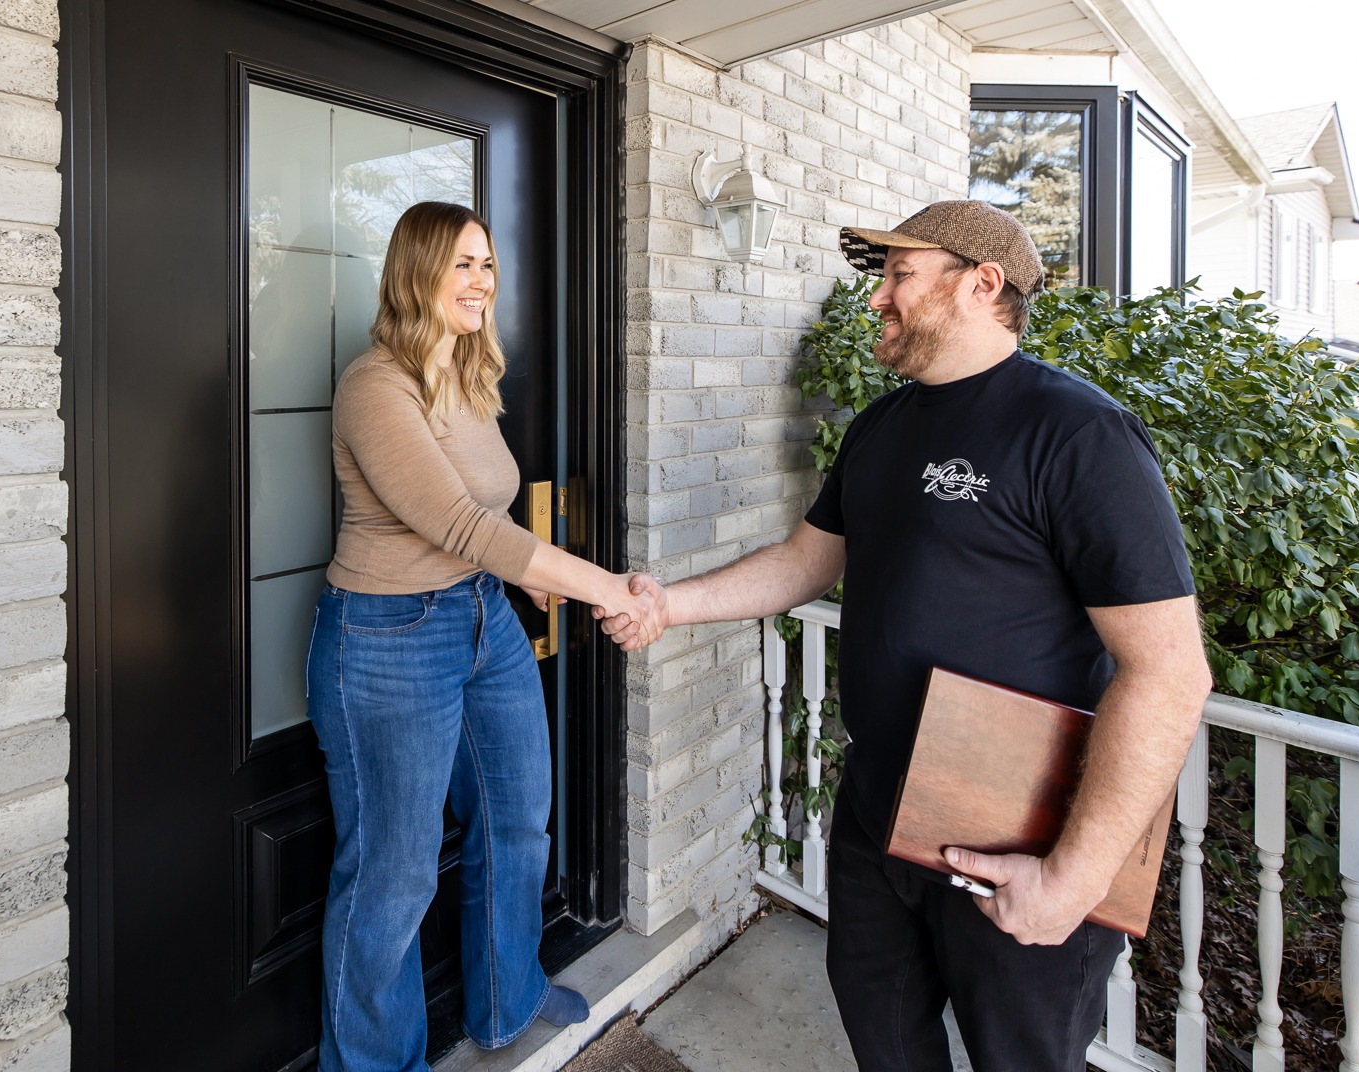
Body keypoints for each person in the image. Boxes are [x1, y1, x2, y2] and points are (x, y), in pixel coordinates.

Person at [600, 200, 1215, 1072]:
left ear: (982, 284)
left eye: (899, 274)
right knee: (885, 1043)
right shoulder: (882, 428)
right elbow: (805, 563)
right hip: (878, 814)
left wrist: (1074, 877)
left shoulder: (1080, 434)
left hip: (1022, 831)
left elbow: (1169, 674)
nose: (878, 298)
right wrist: (670, 605)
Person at [307, 200, 649, 1071]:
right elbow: (462, 525)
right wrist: (602, 586)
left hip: (482, 619)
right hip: (388, 638)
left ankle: (508, 998)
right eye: (462, 263)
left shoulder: (465, 377)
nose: (482, 281)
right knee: (393, 875)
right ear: (416, 271)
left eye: (488, 265)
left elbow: (485, 530)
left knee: (516, 820)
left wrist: (540, 586)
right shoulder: (373, 387)